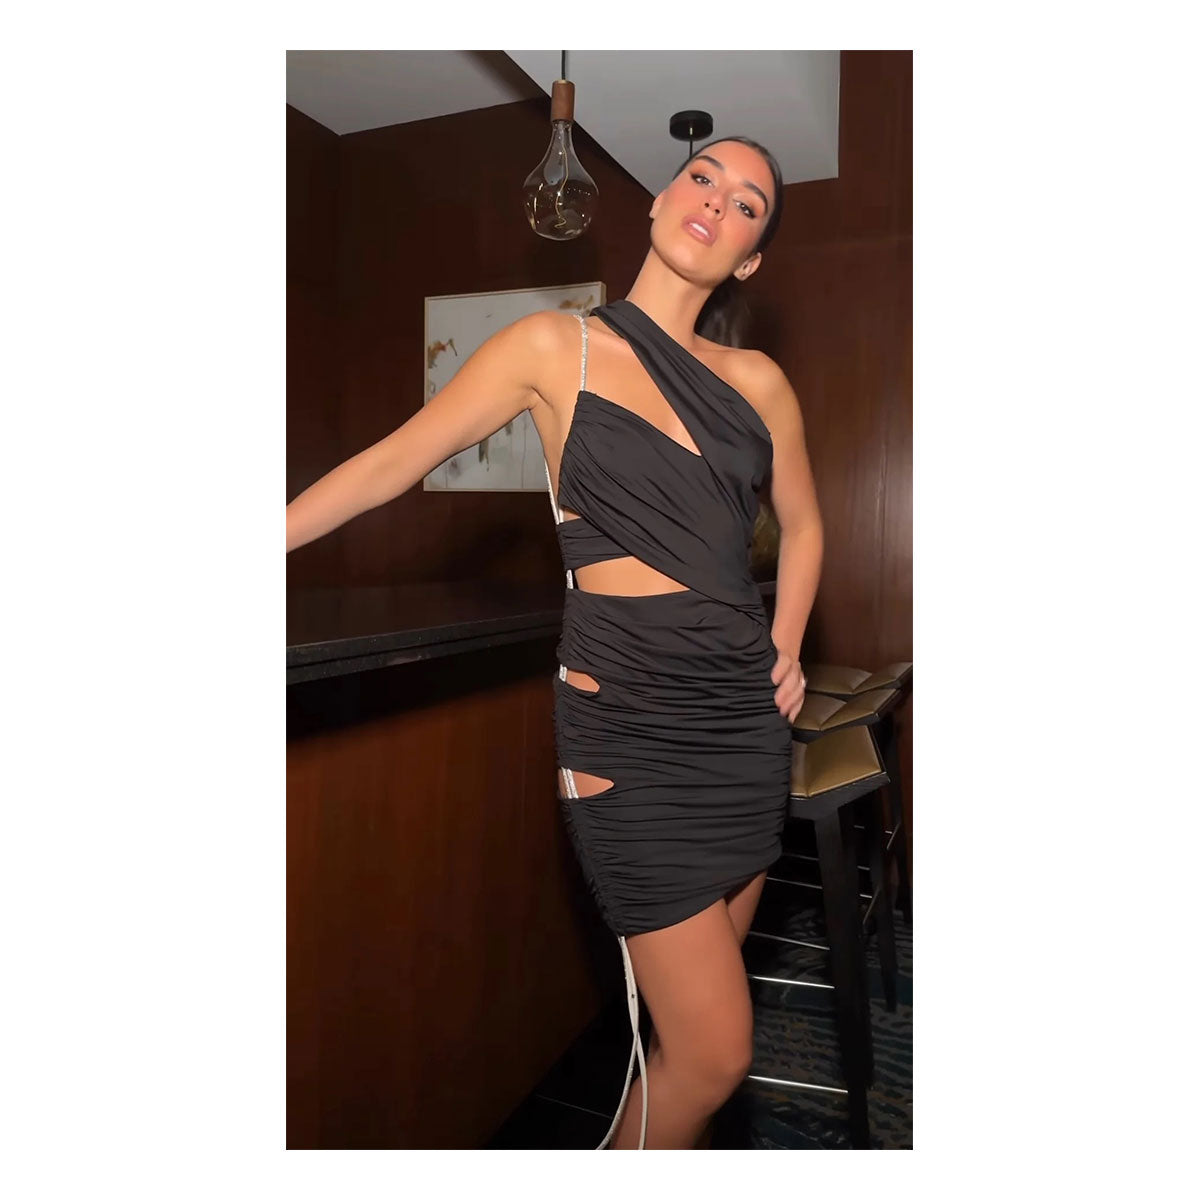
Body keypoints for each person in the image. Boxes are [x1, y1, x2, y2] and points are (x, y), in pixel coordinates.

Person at [286, 136, 823, 1150]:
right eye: (702, 177)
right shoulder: (552, 347)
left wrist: (787, 642)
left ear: (750, 258)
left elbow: (805, 524)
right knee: (716, 1054)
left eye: (748, 203)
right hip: (627, 721)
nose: (717, 201)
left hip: (742, 730)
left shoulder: (760, 383)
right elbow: (392, 462)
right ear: (659, 201)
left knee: (683, 1055)